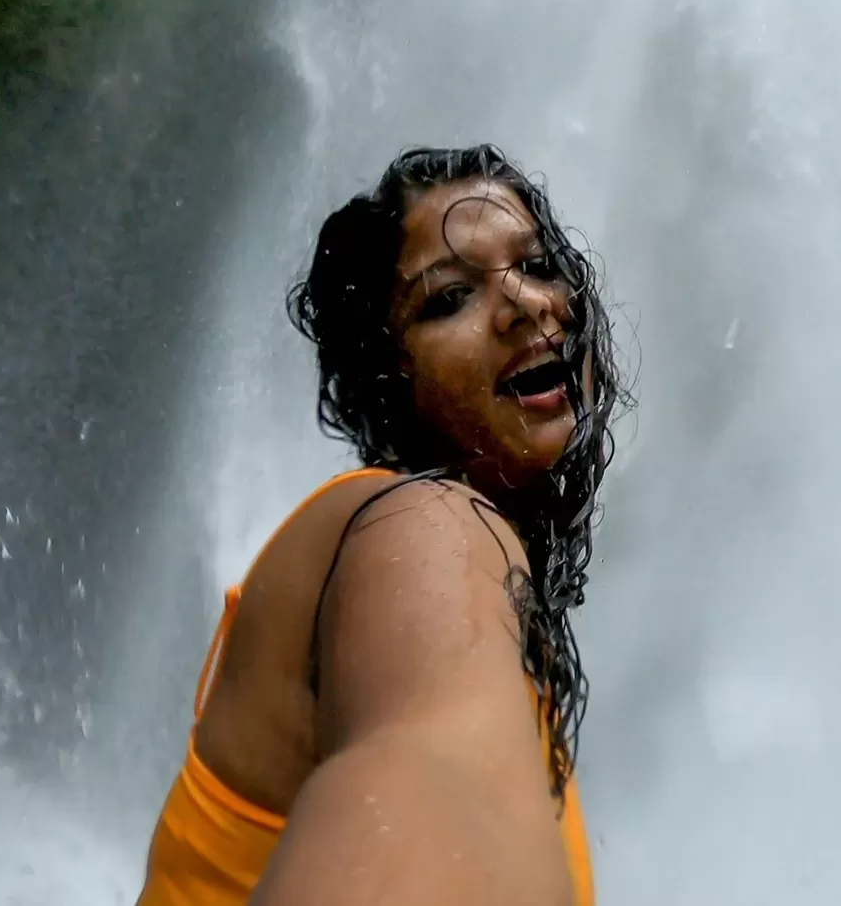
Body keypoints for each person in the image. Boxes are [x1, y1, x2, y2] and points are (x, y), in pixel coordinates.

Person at [137, 145, 620, 906]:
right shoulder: (426, 527)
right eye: (448, 299)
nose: (529, 304)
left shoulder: (441, 557)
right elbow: (428, 785)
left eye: (538, 264)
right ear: (386, 375)